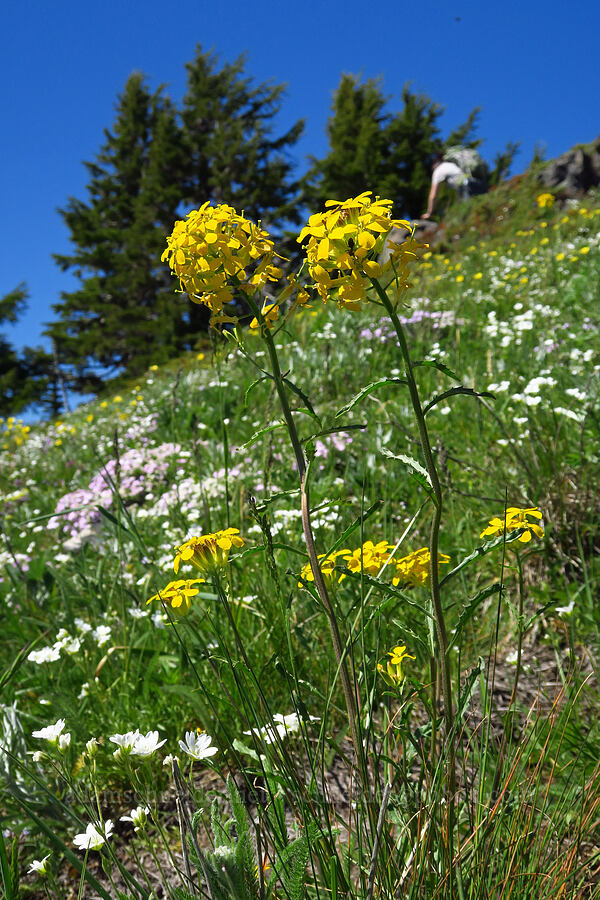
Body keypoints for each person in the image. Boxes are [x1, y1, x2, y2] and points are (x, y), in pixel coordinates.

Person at [422, 154, 469, 220]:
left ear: (434, 165)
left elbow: (433, 195)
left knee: (465, 214)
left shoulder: (437, 171)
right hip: (469, 183)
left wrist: (429, 213)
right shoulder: (449, 164)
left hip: (463, 188)